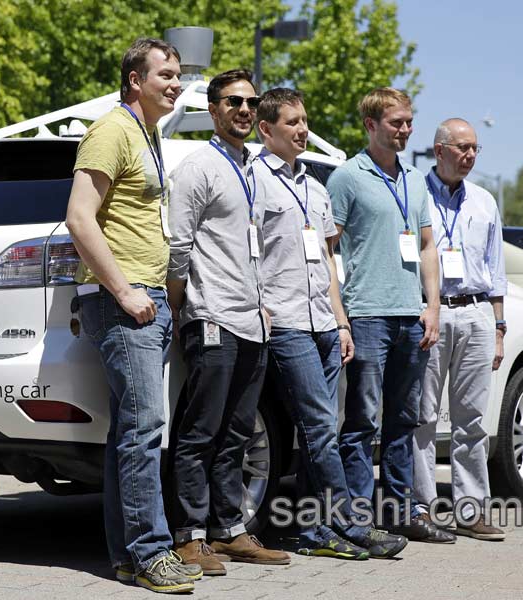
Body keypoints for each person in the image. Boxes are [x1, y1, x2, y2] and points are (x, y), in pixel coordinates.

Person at [64, 37, 202, 593]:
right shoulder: (112, 131)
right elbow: (79, 217)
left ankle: (127, 555)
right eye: (165, 74)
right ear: (133, 81)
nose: (176, 83)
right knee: (145, 431)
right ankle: (152, 554)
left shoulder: (146, 133)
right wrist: (124, 291)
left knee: (130, 430)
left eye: (177, 74)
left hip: (148, 301)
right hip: (125, 305)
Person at [251, 87, 409, 559]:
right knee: (320, 425)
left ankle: (316, 532)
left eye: (304, 121)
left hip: (323, 320)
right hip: (286, 322)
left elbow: (325, 260)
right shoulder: (254, 181)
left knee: (320, 428)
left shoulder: (314, 187)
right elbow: (246, 254)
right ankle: (352, 523)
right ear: (266, 129)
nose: (302, 130)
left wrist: (340, 323)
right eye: (292, 123)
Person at [167, 69, 290, 575]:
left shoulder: (255, 169)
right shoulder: (198, 167)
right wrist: (180, 308)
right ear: (213, 109)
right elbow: (178, 247)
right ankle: (190, 536)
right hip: (212, 315)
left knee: (238, 432)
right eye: (233, 101)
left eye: (251, 102)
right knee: (201, 431)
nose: (244, 109)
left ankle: (230, 530)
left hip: (253, 323)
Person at [326, 87, 455, 543]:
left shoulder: (415, 180)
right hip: (367, 316)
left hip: (411, 318)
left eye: (408, 121)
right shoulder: (347, 177)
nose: (405, 130)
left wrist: (432, 305)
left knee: (403, 421)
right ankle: (358, 521)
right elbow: (327, 249)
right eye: (396, 123)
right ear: (371, 125)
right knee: (361, 422)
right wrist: (340, 315)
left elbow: (426, 247)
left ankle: (402, 514)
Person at [413, 118, 508, 540]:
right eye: (462, 148)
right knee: (423, 416)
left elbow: (496, 268)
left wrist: (499, 326)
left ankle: (472, 510)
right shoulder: (415, 192)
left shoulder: (485, 201)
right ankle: (422, 507)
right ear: (439, 150)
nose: (470, 156)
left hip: (475, 313)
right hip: (431, 312)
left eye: (475, 149)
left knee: (471, 419)